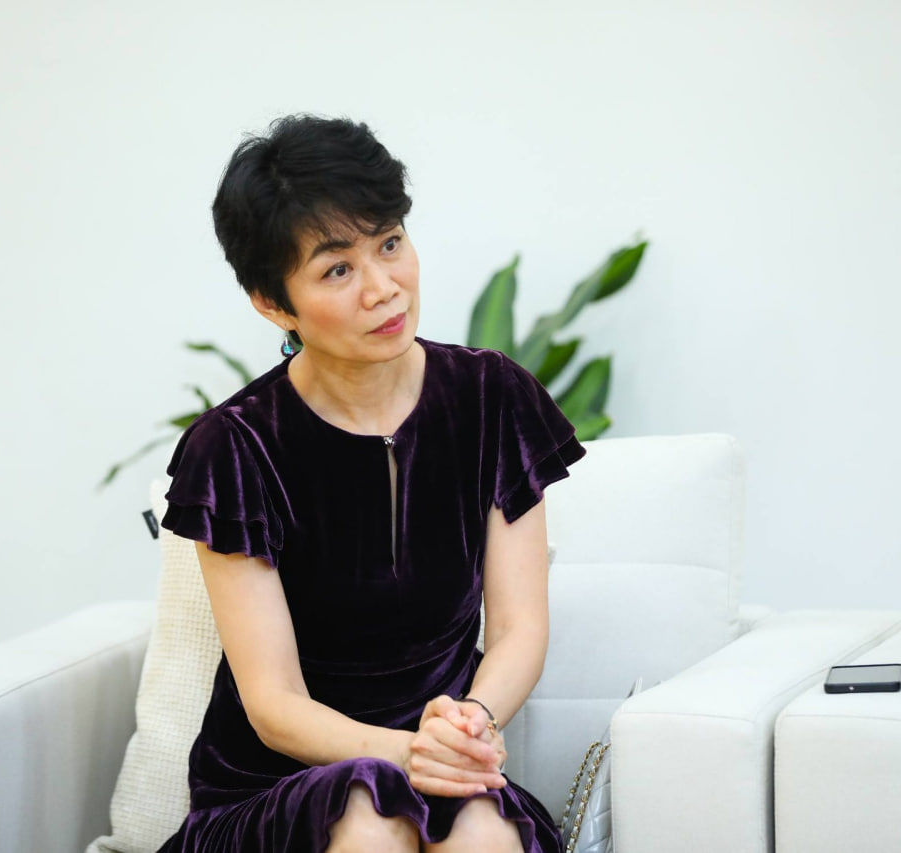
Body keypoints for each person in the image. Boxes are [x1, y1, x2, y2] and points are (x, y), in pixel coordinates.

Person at [156, 115, 585, 853]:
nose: (384, 288)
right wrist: (412, 755)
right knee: (368, 816)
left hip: (443, 758)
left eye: (389, 243)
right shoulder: (236, 447)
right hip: (278, 786)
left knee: (480, 826)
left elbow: (519, 629)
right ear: (273, 302)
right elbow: (274, 705)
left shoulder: (492, 397)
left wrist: (472, 722)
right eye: (337, 270)